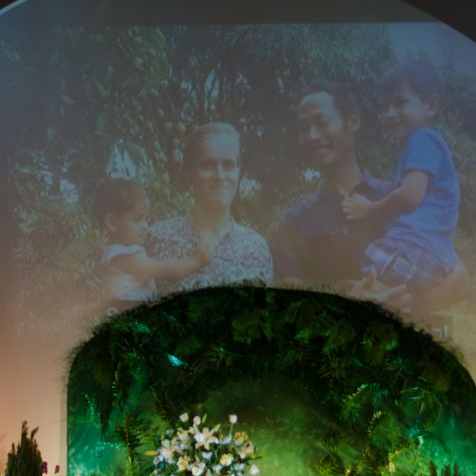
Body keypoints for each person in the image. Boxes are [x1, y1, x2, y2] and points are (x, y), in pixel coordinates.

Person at [271, 80, 469, 315]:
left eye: (322, 123)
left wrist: (403, 304)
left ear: (353, 121)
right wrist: (348, 304)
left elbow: (460, 281)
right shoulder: (293, 222)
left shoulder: (400, 199)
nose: (312, 136)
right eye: (303, 129)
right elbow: (288, 308)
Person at [342, 62, 460, 294]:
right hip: (436, 259)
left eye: (399, 103)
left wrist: (369, 210)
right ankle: (389, 296)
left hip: (414, 248)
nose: (389, 113)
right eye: (384, 107)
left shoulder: (421, 138)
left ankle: (375, 293)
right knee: (369, 284)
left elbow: (410, 196)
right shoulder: (431, 144)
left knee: (368, 262)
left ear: (430, 106)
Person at [148, 122, 273, 291]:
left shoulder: (256, 248)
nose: (220, 176)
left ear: (238, 171)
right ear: (189, 174)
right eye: (208, 166)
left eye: (228, 165)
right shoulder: (157, 238)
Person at [92, 177, 210, 302]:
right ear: (112, 223)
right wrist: (197, 261)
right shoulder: (124, 257)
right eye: (138, 219)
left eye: (145, 218)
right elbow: (169, 270)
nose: (145, 226)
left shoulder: (113, 254)